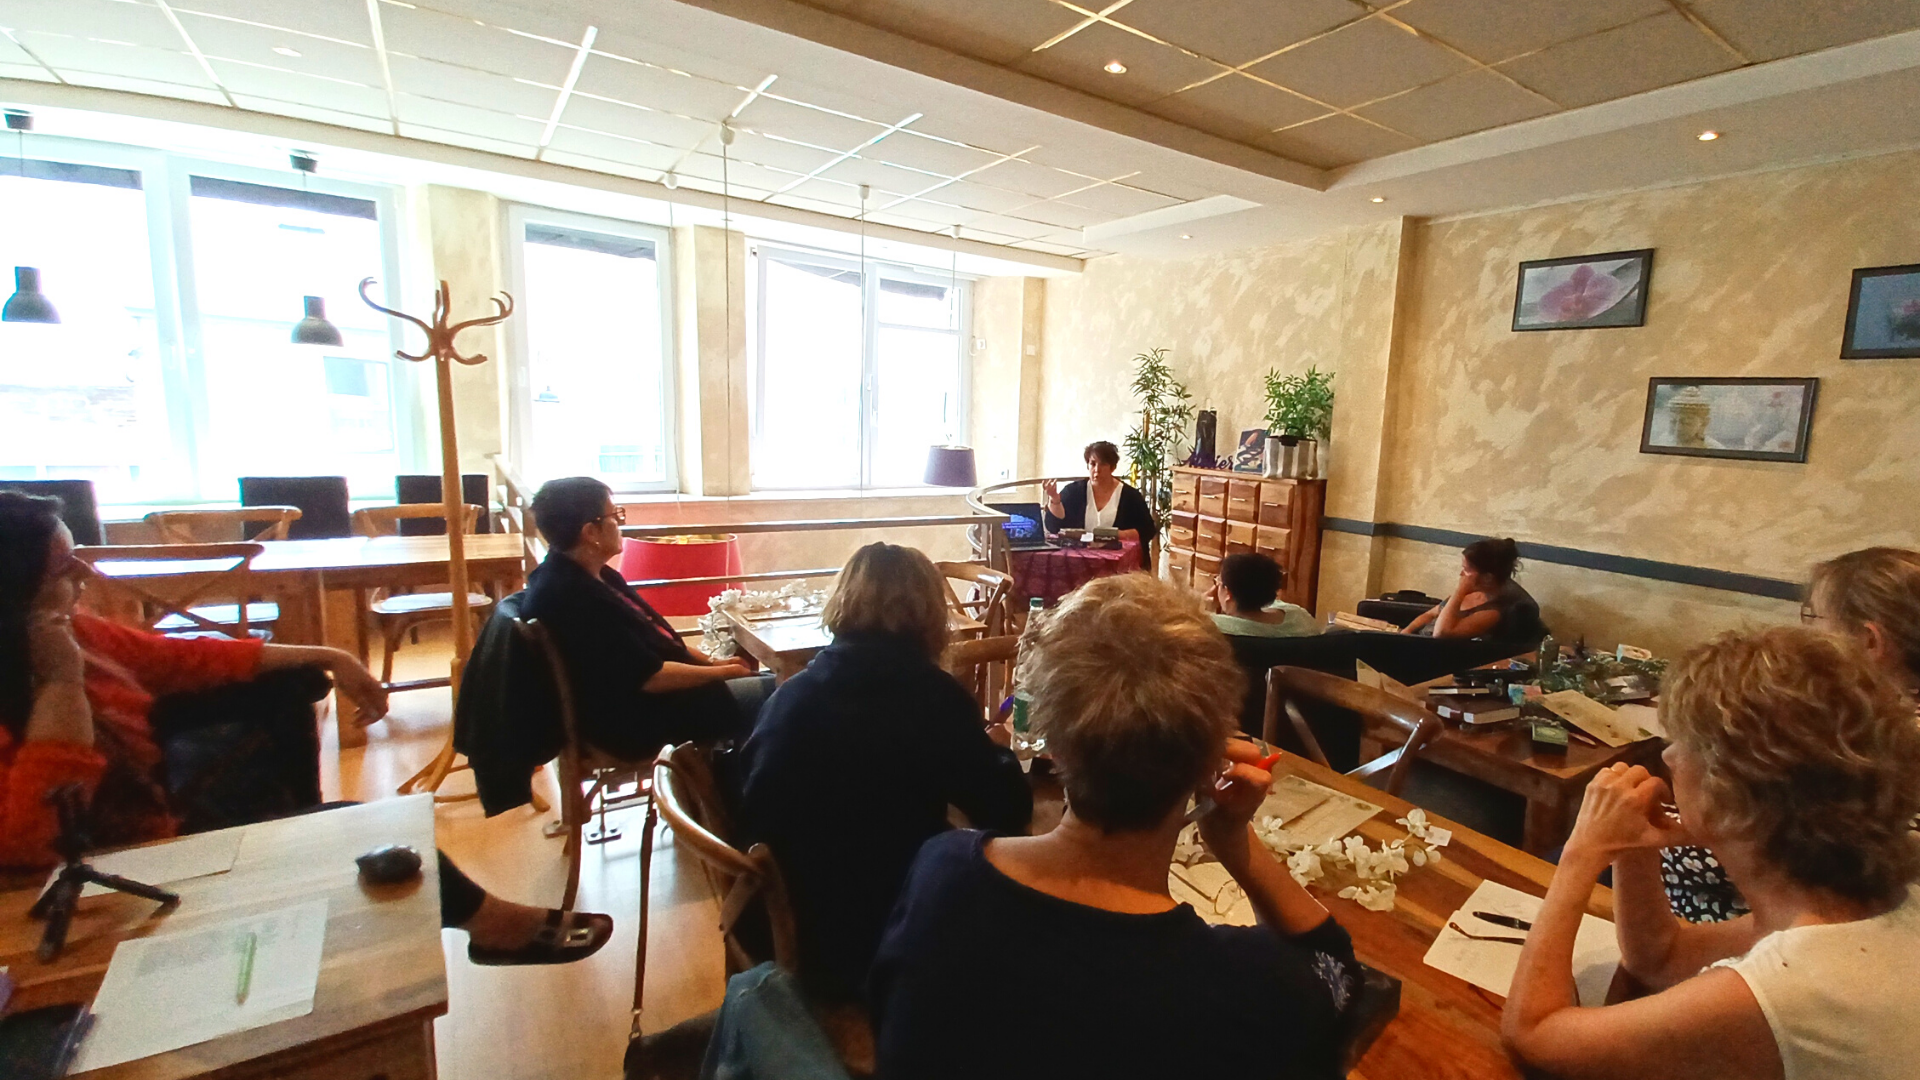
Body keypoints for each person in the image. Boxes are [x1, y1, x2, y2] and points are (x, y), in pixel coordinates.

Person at [0, 490, 609, 966]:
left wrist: (331, 654)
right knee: (357, 831)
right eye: (61, 567)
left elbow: (187, 657)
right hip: (97, 879)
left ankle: (489, 925)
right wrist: (60, 686)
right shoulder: (60, 660)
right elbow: (33, 846)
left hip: (158, 819)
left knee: (361, 824)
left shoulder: (79, 636)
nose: (84, 573)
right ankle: (492, 927)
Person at [869, 574, 1357, 1079]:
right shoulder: (1244, 988)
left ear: (1052, 741)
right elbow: (1337, 973)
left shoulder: (940, 870)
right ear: (1211, 756)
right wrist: (1235, 841)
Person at [1502, 625, 1920, 1080]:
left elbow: (1534, 1032)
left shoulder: (1790, 987)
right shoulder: (1872, 898)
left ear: (1734, 791)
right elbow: (1659, 957)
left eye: (1685, 743)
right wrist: (1630, 849)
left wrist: (1582, 852)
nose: (1669, 758)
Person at [735, 543, 1030, 1003]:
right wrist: (998, 750)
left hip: (779, 923)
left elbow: (753, 805)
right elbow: (1007, 811)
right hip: (880, 939)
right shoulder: (932, 698)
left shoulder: (793, 694)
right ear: (929, 612)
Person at [1662, 545, 1920, 922]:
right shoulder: (1870, 715)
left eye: (1814, 616)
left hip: (1761, 918)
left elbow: (1765, 842)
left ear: (1869, 641)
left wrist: (1630, 841)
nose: (1804, 630)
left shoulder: (1872, 735)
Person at [521, 477, 771, 759]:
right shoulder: (571, 596)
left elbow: (658, 639)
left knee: (779, 685)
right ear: (590, 531)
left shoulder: (591, 575)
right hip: (636, 719)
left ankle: (738, 770)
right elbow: (649, 676)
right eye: (615, 515)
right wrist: (721, 673)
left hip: (652, 701)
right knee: (785, 695)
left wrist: (713, 664)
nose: (621, 523)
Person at [1041, 440, 1157, 569]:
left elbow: (1148, 530)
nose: (1097, 470)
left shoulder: (1130, 496)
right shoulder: (1073, 491)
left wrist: (1117, 535)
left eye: (1103, 464)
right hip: (1079, 563)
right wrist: (1055, 499)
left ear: (1112, 467)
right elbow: (1054, 527)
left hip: (1118, 568)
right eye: (1093, 464)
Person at [1402, 537, 1544, 642]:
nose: (1461, 574)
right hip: (1412, 643)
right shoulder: (1470, 593)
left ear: (1487, 577)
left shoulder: (1493, 611)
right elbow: (1429, 614)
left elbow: (1441, 634)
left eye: (1466, 570)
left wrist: (1460, 591)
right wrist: (1405, 633)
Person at [1211, 552, 1316, 638]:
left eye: (1218, 582)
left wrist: (1204, 607)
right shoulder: (1299, 618)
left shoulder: (1216, 627)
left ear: (1228, 593)